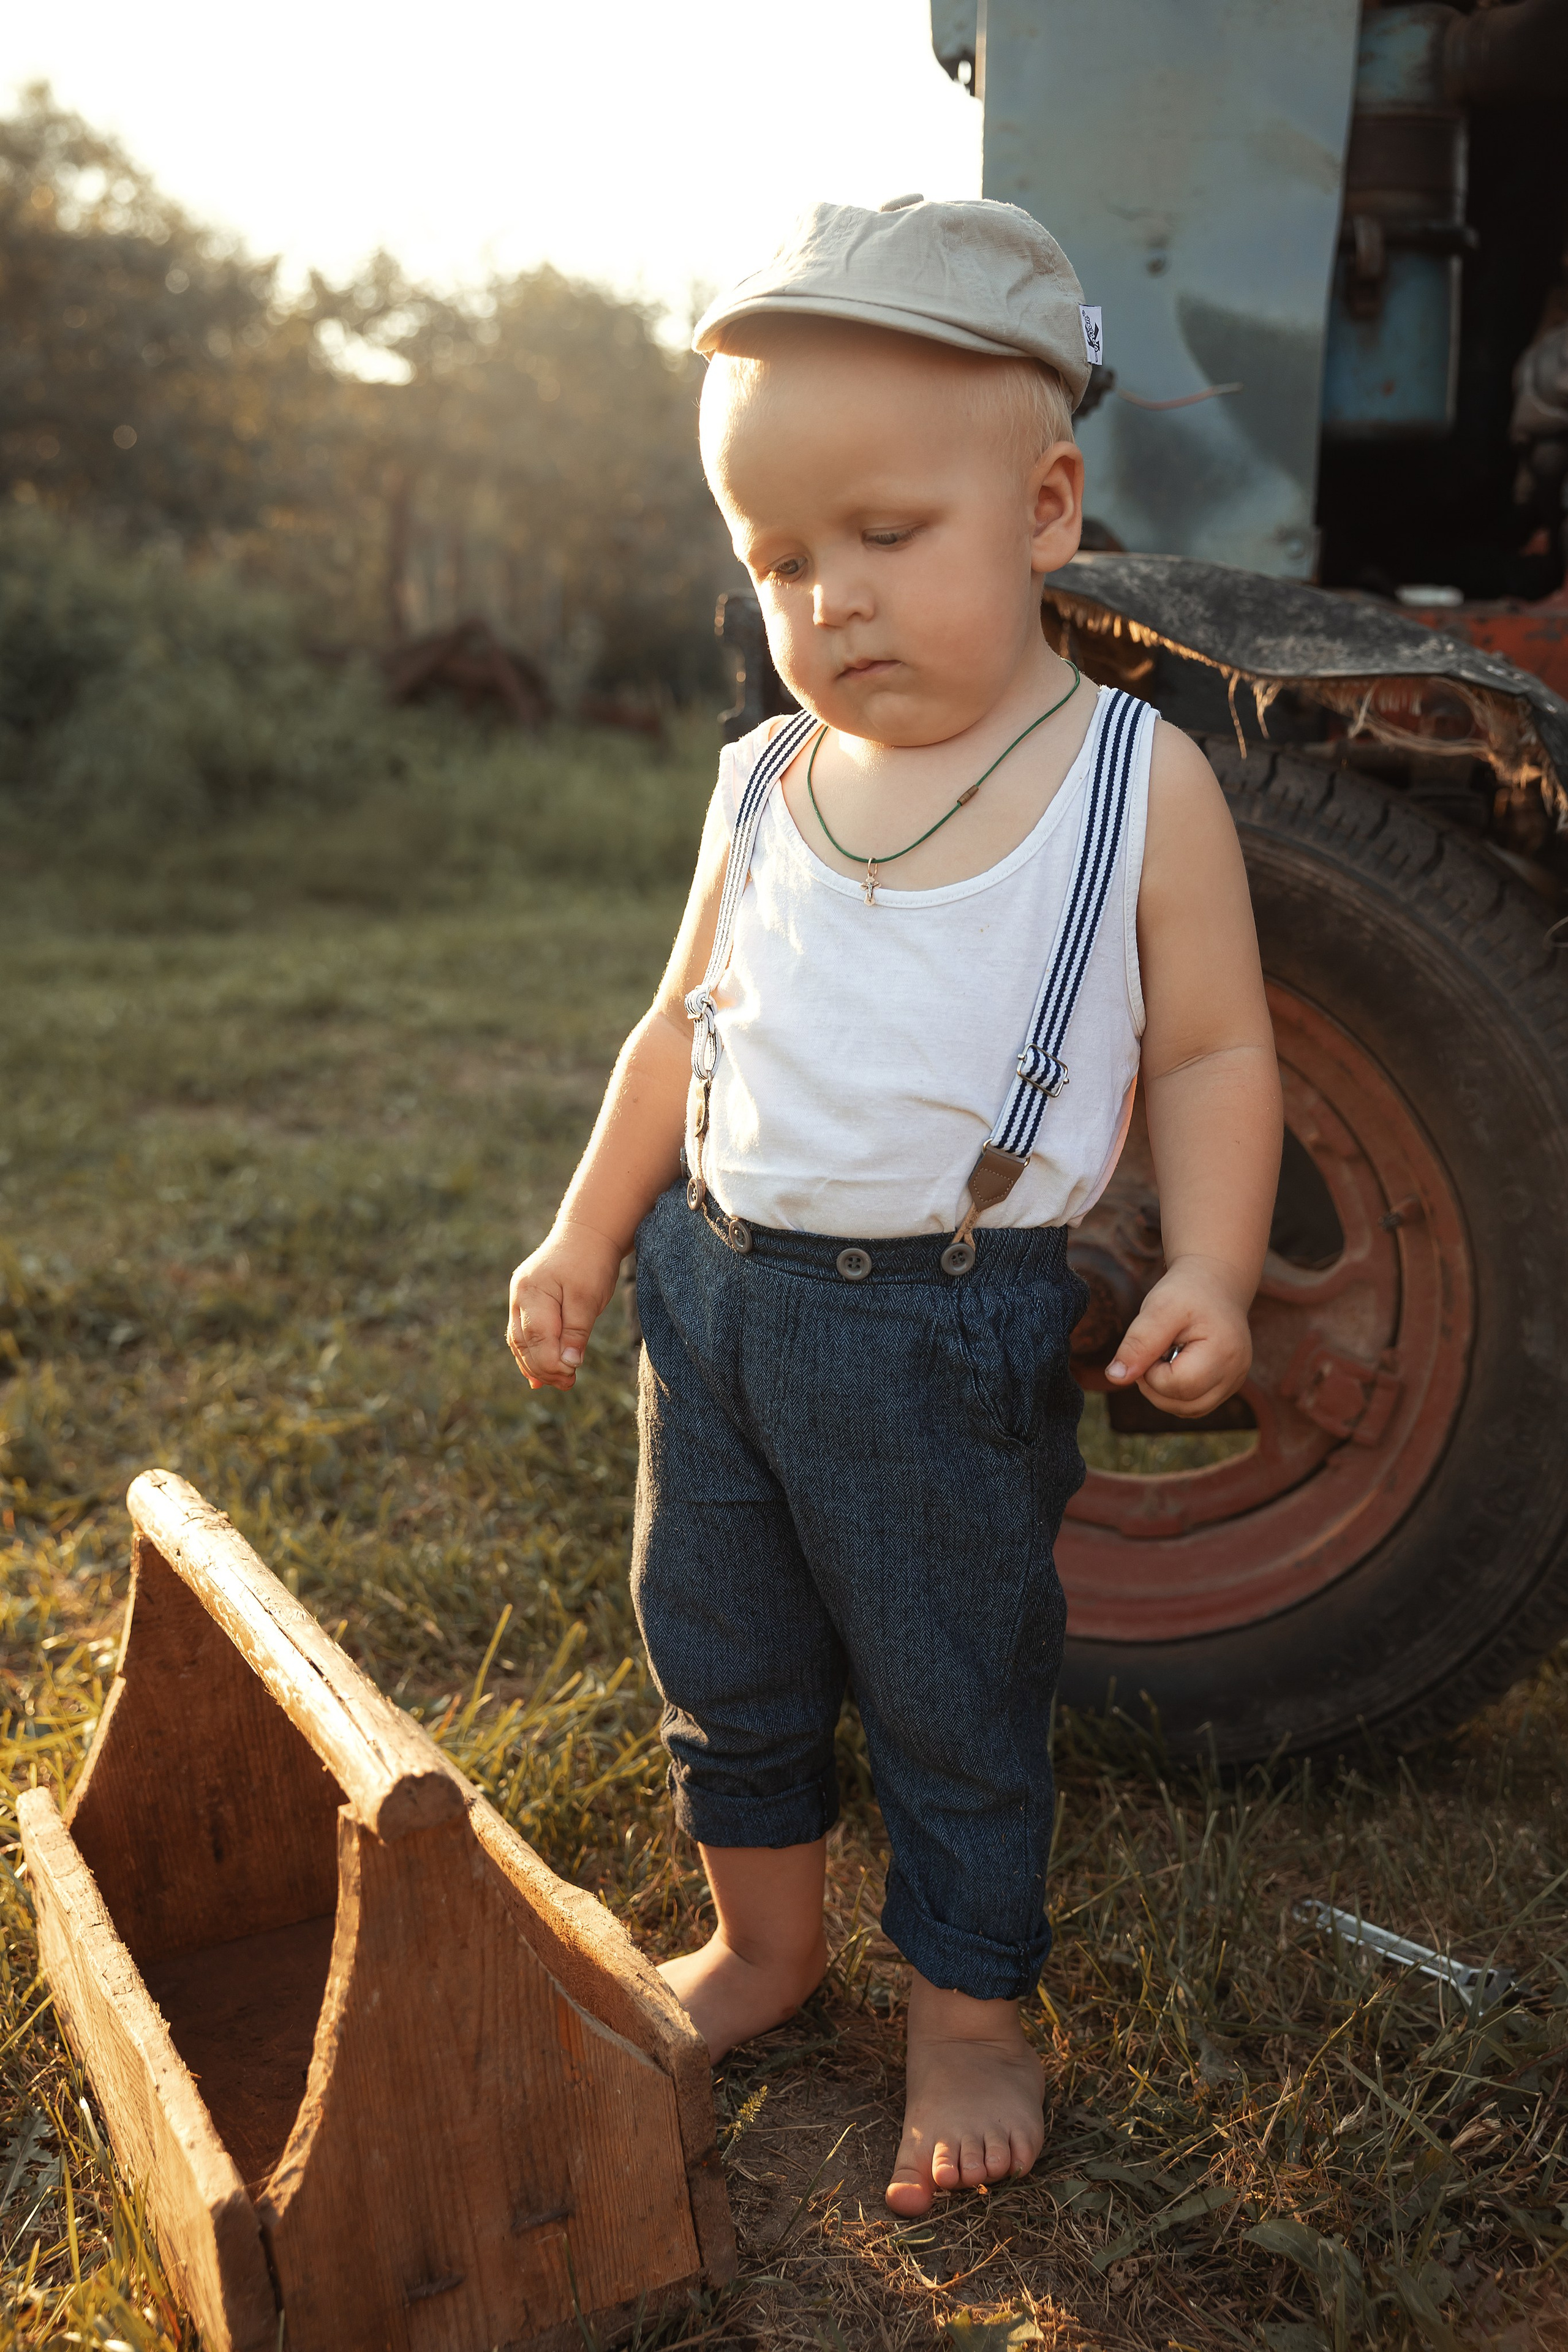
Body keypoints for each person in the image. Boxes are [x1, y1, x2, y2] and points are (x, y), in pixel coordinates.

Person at [507, 197, 1282, 2218]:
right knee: (721, 1642)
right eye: (778, 557)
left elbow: (1215, 1052)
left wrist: (1213, 1261)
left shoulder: (1130, 783)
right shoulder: (765, 778)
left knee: (951, 1675)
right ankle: (763, 1948)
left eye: (883, 533)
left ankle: (969, 2009)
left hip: (944, 1325)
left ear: (1044, 510)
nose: (830, 597)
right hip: (714, 1298)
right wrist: (588, 1234)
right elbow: (676, 1027)